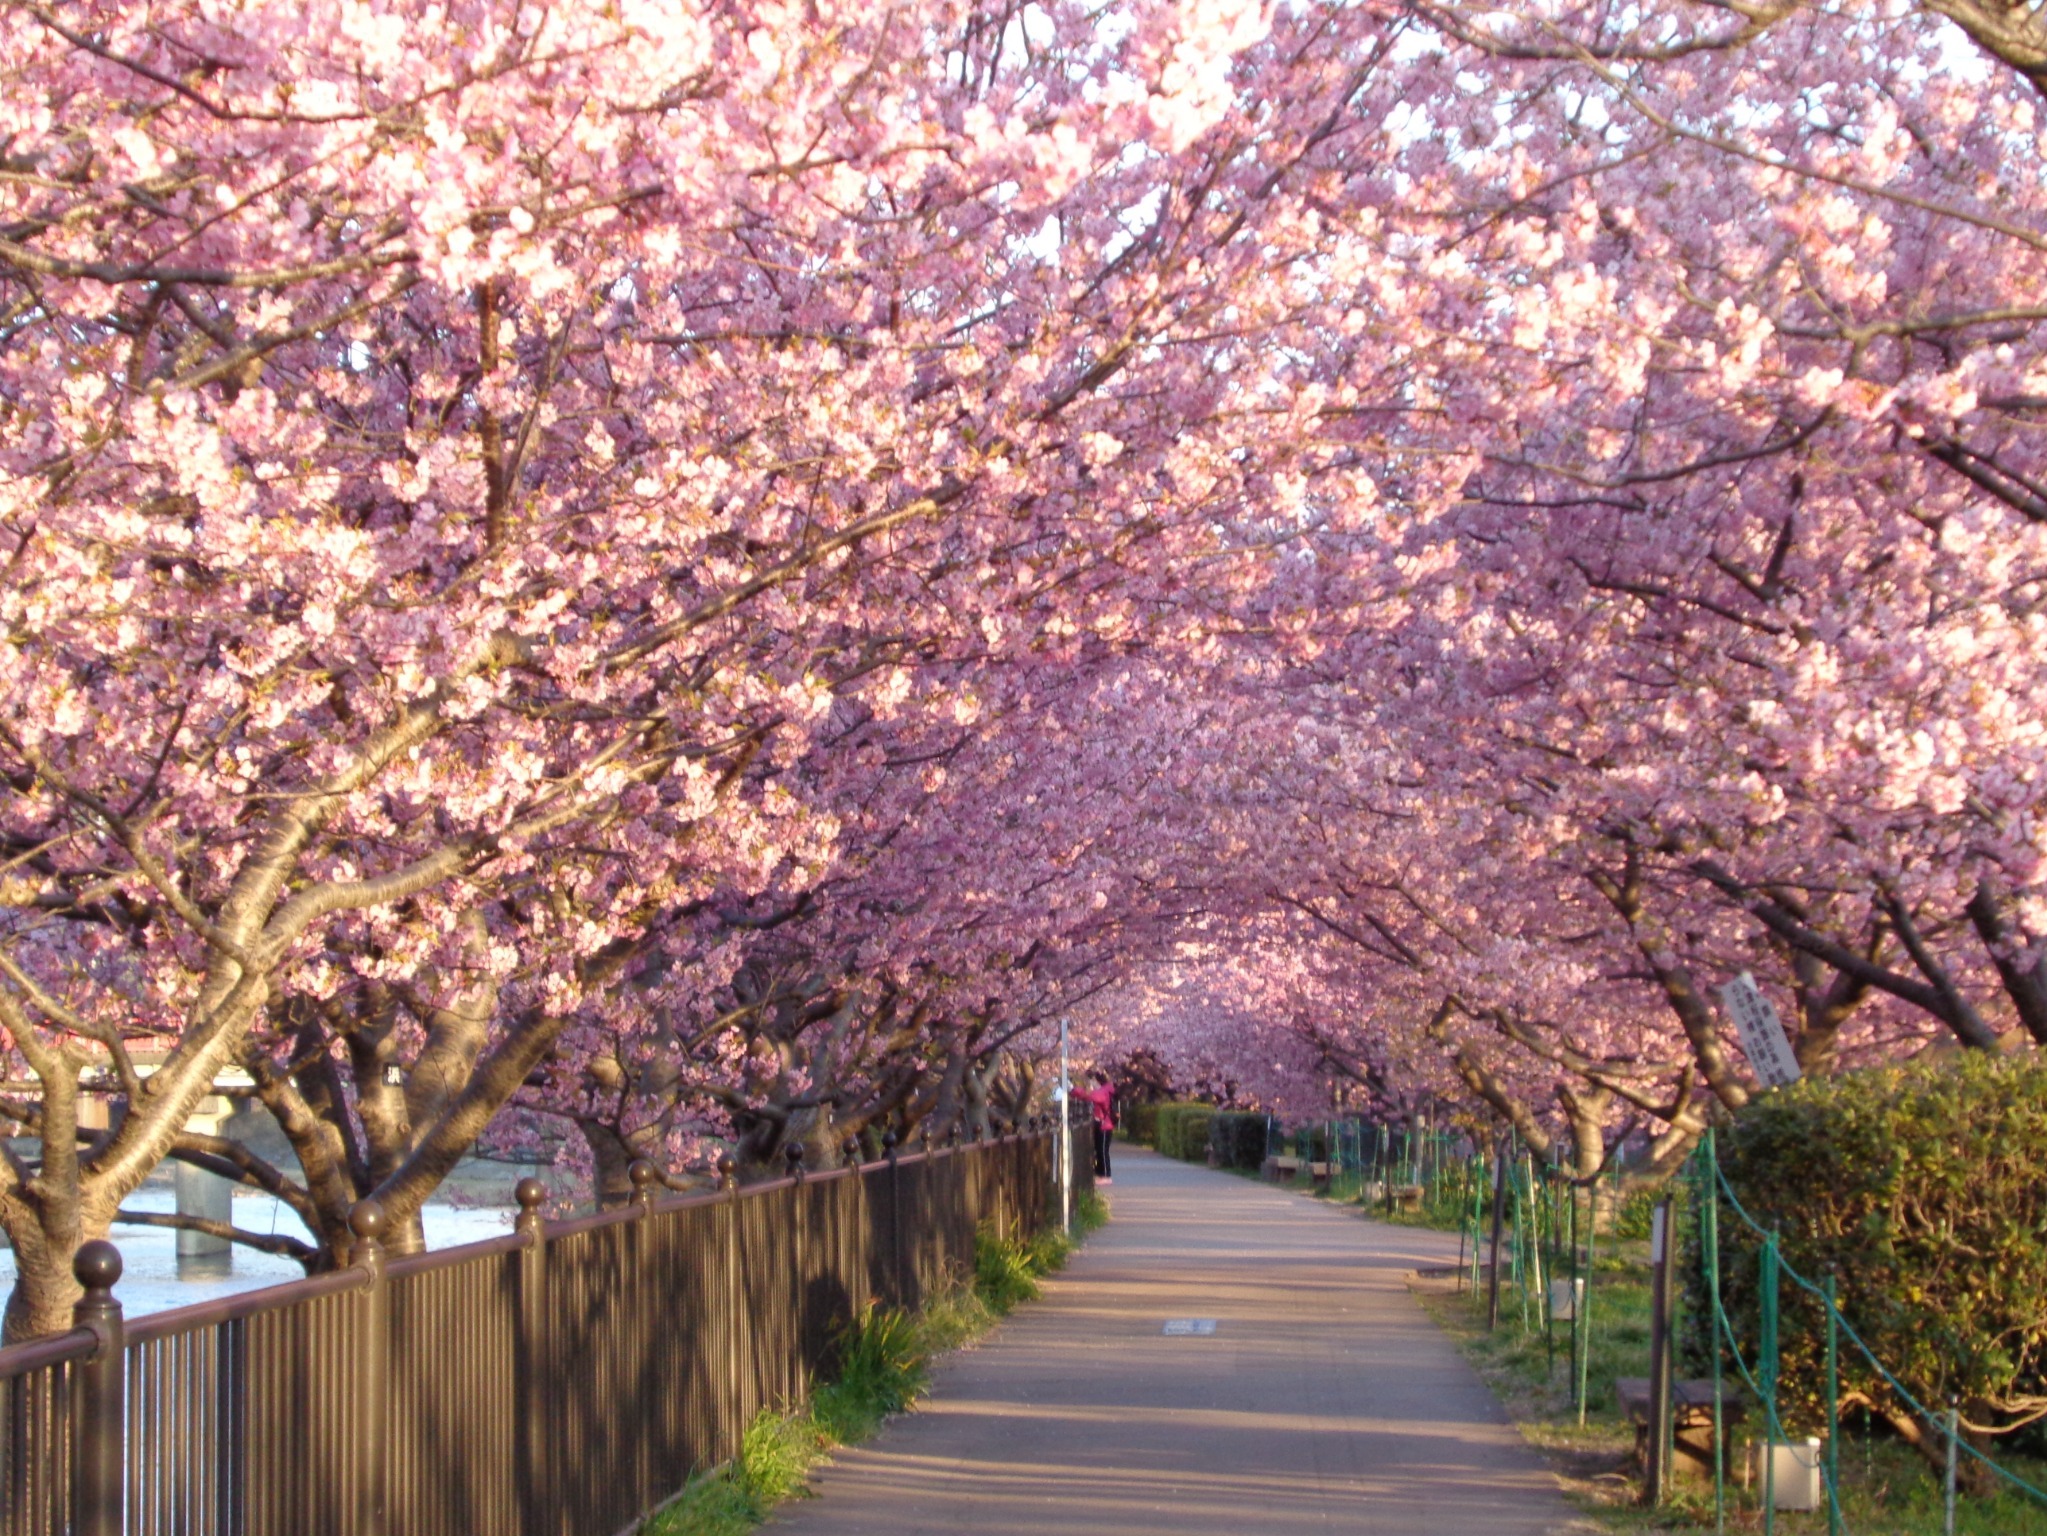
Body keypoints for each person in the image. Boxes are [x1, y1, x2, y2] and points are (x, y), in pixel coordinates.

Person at [1079, 1069, 1117, 1183]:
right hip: (1103, 1124)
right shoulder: (1106, 1090)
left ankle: (1105, 1175)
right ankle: (1101, 1174)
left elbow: (1091, 1096)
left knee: (1102, 1151)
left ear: (1096, 1080)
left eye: (1092, 1080)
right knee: (1100, 1150)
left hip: (1105, 1125)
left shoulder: (1103, 1092)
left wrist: (1076, 1090)